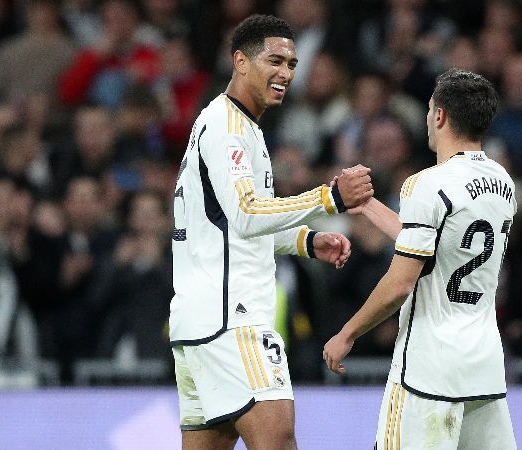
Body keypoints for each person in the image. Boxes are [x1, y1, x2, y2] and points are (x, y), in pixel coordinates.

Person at [169, 14, 373, 450]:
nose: (286, 73)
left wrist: (304, 240)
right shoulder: (227, 127)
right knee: (278, 441)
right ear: (240, 61)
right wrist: (330, 198)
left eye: (293, 64)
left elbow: (228, 224)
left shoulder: (234, 125)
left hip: (198, 324)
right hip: (232, 320)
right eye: (275, 61)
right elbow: (246, 214)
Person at [324, 69, 517, 449]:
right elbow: (438, 249)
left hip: (428, 371)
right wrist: (370, 207)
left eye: (430, 110)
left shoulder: (426, 183)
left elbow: (400, 283)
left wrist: (347, 334)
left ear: (441, 116)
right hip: (484, 368)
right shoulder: (504, 183)